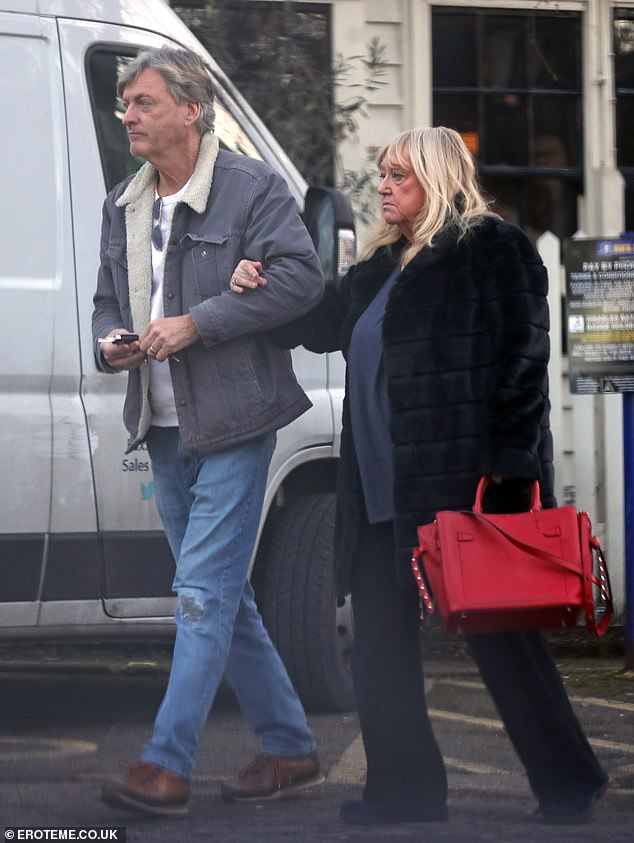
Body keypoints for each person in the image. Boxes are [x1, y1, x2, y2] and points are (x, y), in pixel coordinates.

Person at [231, 126, 609, 826]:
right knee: (378, 645)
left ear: (437, 179)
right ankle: (403, 792)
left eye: (398, 175)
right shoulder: (380, 266)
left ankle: (569, 781)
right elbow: (316, 324)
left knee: (503, 643)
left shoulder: (493, 250)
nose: (382, 186)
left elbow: (523, 369)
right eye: (381, 174)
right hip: (378, 490)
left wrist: (506, 472)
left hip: (462, 490)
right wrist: (262, 289)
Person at [92, 46, 325, 817]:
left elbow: (301, 278)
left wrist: (202, 322)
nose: (128, 114)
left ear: (192, 109)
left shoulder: (252, 186)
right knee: (223, 593)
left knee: (198, 591)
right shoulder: (123, 201)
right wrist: (112, 340)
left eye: (144, 101)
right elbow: (105, 302)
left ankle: (167, 763)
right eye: (126, 103)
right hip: (158, 423)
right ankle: (289, 745)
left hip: (235, 419)